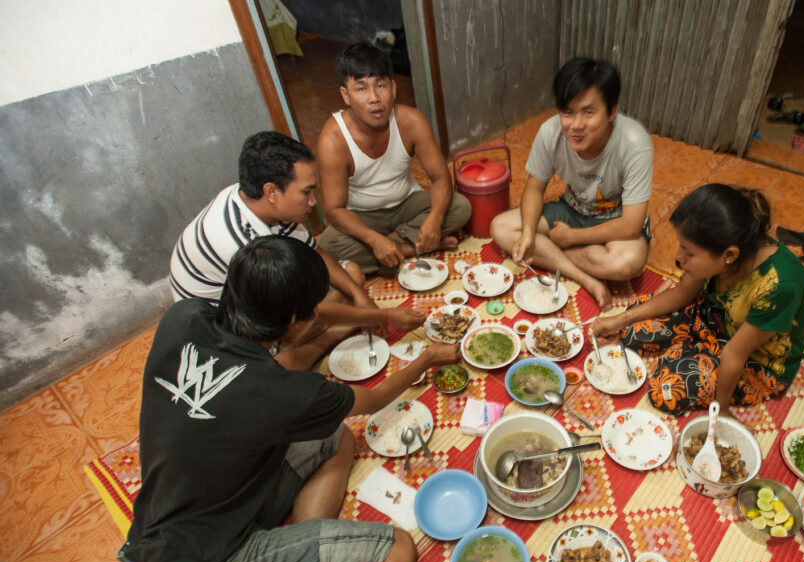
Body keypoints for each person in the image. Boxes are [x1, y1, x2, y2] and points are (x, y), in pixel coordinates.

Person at [123, 236, 460, 562]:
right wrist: (426, 359)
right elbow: (375, 396)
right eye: (314, 310)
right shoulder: (284, 393)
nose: (319, 315)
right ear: (296, 323)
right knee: (397, 551)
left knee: (333, 438)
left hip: (167, 523)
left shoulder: (181, 317)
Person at [169, 130, 425, 370]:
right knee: (276, 368)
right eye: (306, 192)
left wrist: (361, 298)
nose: (314, 202)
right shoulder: (243, 246)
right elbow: (298, 315)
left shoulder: (256, 202)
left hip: (262, 306)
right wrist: (383, 316)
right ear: (271, 191)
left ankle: (334, 328)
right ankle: (323, 340)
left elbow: (316, 252)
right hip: (224, 339)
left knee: (353, 275)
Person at [591, 184, 804, 417]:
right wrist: (621, 318)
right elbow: (682, 294)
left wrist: (722, 409)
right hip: (713, 319)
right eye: (681, 246)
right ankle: (693, 350)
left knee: (666, 390)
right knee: (630, 332)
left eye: (688, 252)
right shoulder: (722, 245)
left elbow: (734, 354)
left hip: (755, 360)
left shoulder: (780, 286)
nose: (679, 257)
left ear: (729, 255)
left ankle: (689, 353)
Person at [490, 57, 653, 309]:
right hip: (571, 211)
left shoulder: (634, 143)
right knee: (501, 227)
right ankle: (586, 278)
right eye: (567, 112)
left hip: (616, 220)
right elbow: (534, 189)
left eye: (589, 112)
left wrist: (571, 237)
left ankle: (550, 253)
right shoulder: (550, 132)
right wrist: (529, 233)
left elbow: (631, 225)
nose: (576, 125)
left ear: (611, 112)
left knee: (626, 263)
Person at [317, 42, 471, 276]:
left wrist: (435, 219)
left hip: (405, 203)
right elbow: (334, 209)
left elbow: (440, 179)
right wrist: (373, 239)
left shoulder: (411, 121)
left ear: (393, 88)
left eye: (380, 85)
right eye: (361, 89)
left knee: (461, 207)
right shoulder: (333, 138)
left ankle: (395, 248)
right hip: (362, 216)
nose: (374, 98)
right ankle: (414, 247)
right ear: (345, 95)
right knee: (329, 246)